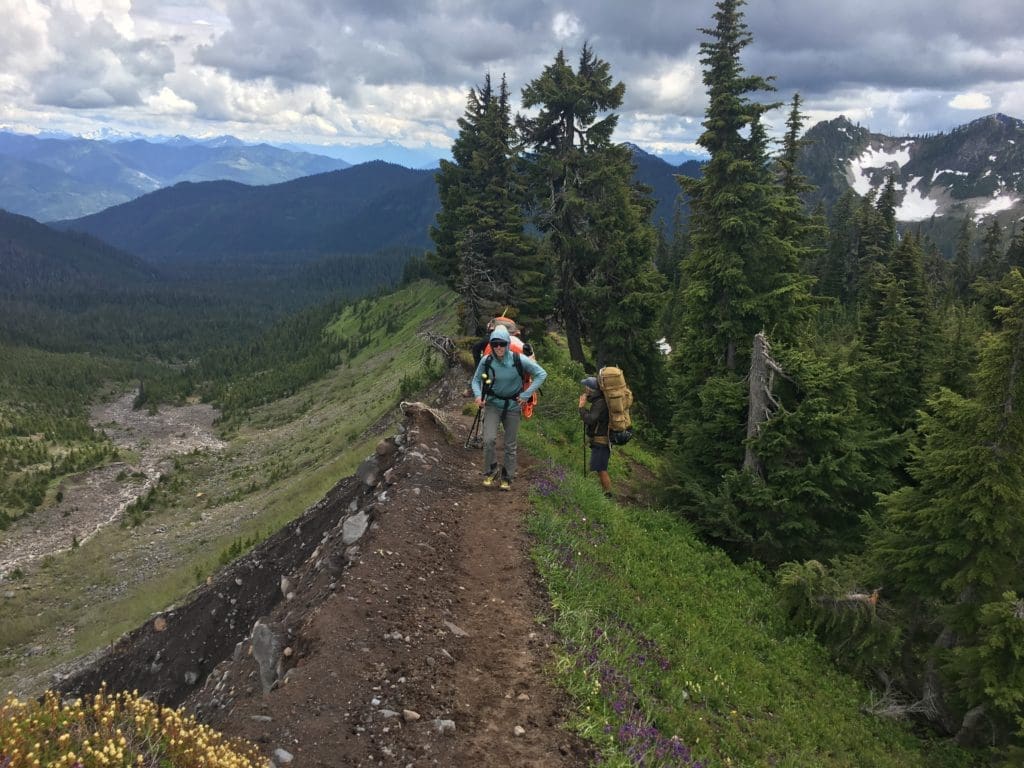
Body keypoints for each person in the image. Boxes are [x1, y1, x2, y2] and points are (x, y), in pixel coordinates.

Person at [470, 324, 547, 491]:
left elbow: (542, 374)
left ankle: (507, 477)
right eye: (495, 344)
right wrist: (477, 395)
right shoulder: (486, 360)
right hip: (492, 404)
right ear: (491, 344)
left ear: (507, 343)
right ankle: (491, 470)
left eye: (502, 344)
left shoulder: (519, 360)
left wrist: (527, 395)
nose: (498, 347)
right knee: (488, 440)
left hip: (512, 406)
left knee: (510, 444)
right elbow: (475, 380)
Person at [579, 376, 613, 498]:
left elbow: (590, 419)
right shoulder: (599, 401)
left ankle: (608, 495)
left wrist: (581, 408)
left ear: (590, 389)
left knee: (600, 468)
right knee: (599, 467)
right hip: (601, 440)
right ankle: (605, 493)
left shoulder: (599, 403)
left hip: (601, 441)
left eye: (586, 387)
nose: (585, 389)